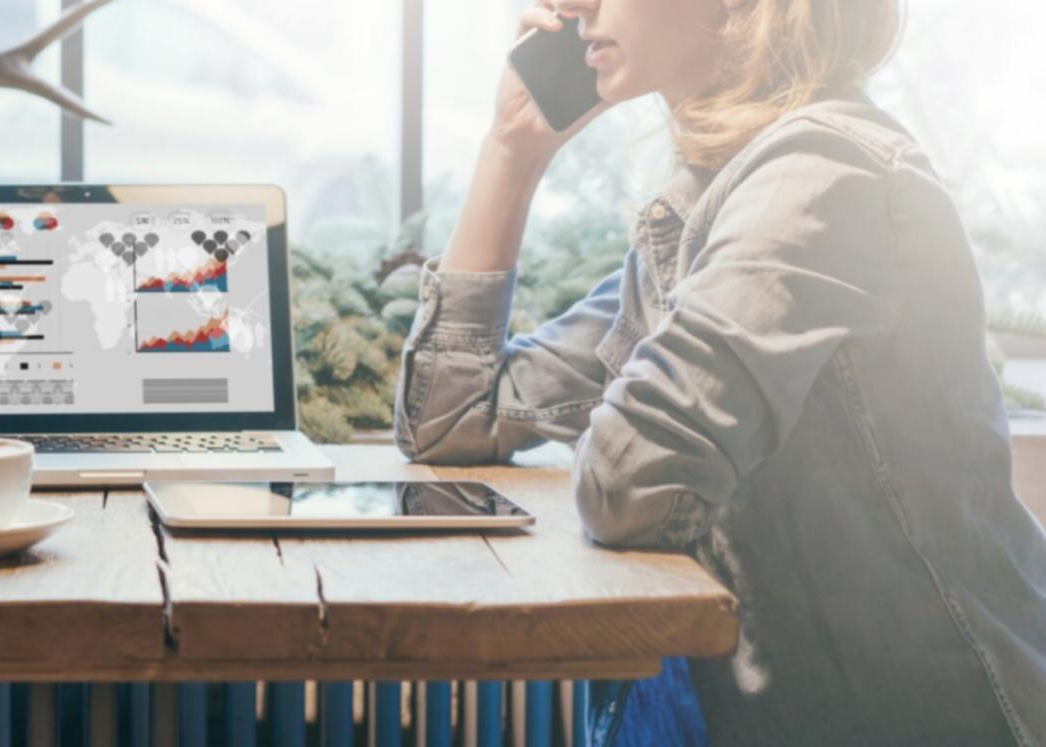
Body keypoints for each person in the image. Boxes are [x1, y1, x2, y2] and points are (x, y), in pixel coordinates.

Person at [394, 0, 1046, 744]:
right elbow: (448, 419)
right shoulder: (716, 207)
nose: (571, 6)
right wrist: (512, 152)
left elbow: (626, 485)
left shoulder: (825, 174)